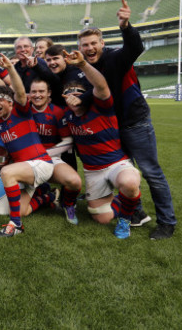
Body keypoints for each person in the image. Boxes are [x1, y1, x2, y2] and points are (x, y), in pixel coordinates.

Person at [77, 0, 176, 239]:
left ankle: (167, 222)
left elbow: (134, 48)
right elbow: (98, 90)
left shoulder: (115, 57)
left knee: (151, 172)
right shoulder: (85, 68)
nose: (89, 48)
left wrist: (125, 26)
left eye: (93, 43)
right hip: (113, 128)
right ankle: (136, 213)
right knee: (126, 173)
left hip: (134, 123)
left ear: (102, 43)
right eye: (85, 45)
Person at [63, 50, 142, 239]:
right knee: (102, 218)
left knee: (130, 183)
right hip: (93, 171)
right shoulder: (67, 117)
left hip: (116, 164)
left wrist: (82, 64)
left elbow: (101, 85)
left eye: (78, 93)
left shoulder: (102, 107)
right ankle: (121, 199)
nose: (73, 98)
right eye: (68, 95)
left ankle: (125, 219)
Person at [0, 54, 54, 237]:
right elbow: (0, 88)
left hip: (40, 163)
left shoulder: (20, 112)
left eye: (0, 100)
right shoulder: (0, 123)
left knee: (7, 173)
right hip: (26, 170)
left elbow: (18, 92)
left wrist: (10, 69)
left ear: (10, 102)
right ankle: (49, 197)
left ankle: (16, 225)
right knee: (21, 209)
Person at [29, 78, 83, 224]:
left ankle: (68, 204)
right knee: (19, 206)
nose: (37, 95)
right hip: (26, 159)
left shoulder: (58, 112)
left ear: (49, 93)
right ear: (29, 94)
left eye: (41, 91)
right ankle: (46, 194)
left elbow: (68, 140)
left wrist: (46, 153)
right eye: (34, 91)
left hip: (50, 157)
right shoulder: (23, 110)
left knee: (75, 181)